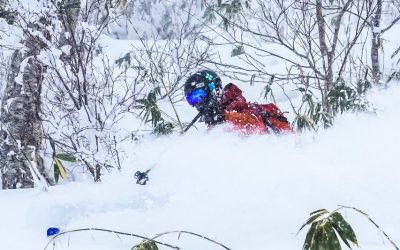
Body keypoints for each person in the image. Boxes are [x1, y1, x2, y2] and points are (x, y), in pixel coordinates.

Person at [184, 70, 293, 134]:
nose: (196, 103)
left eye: (198, 96)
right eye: (191, 100)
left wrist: (227, 117)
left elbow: (257, 126)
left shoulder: (235, 106)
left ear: (213, 91)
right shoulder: (215, 116)